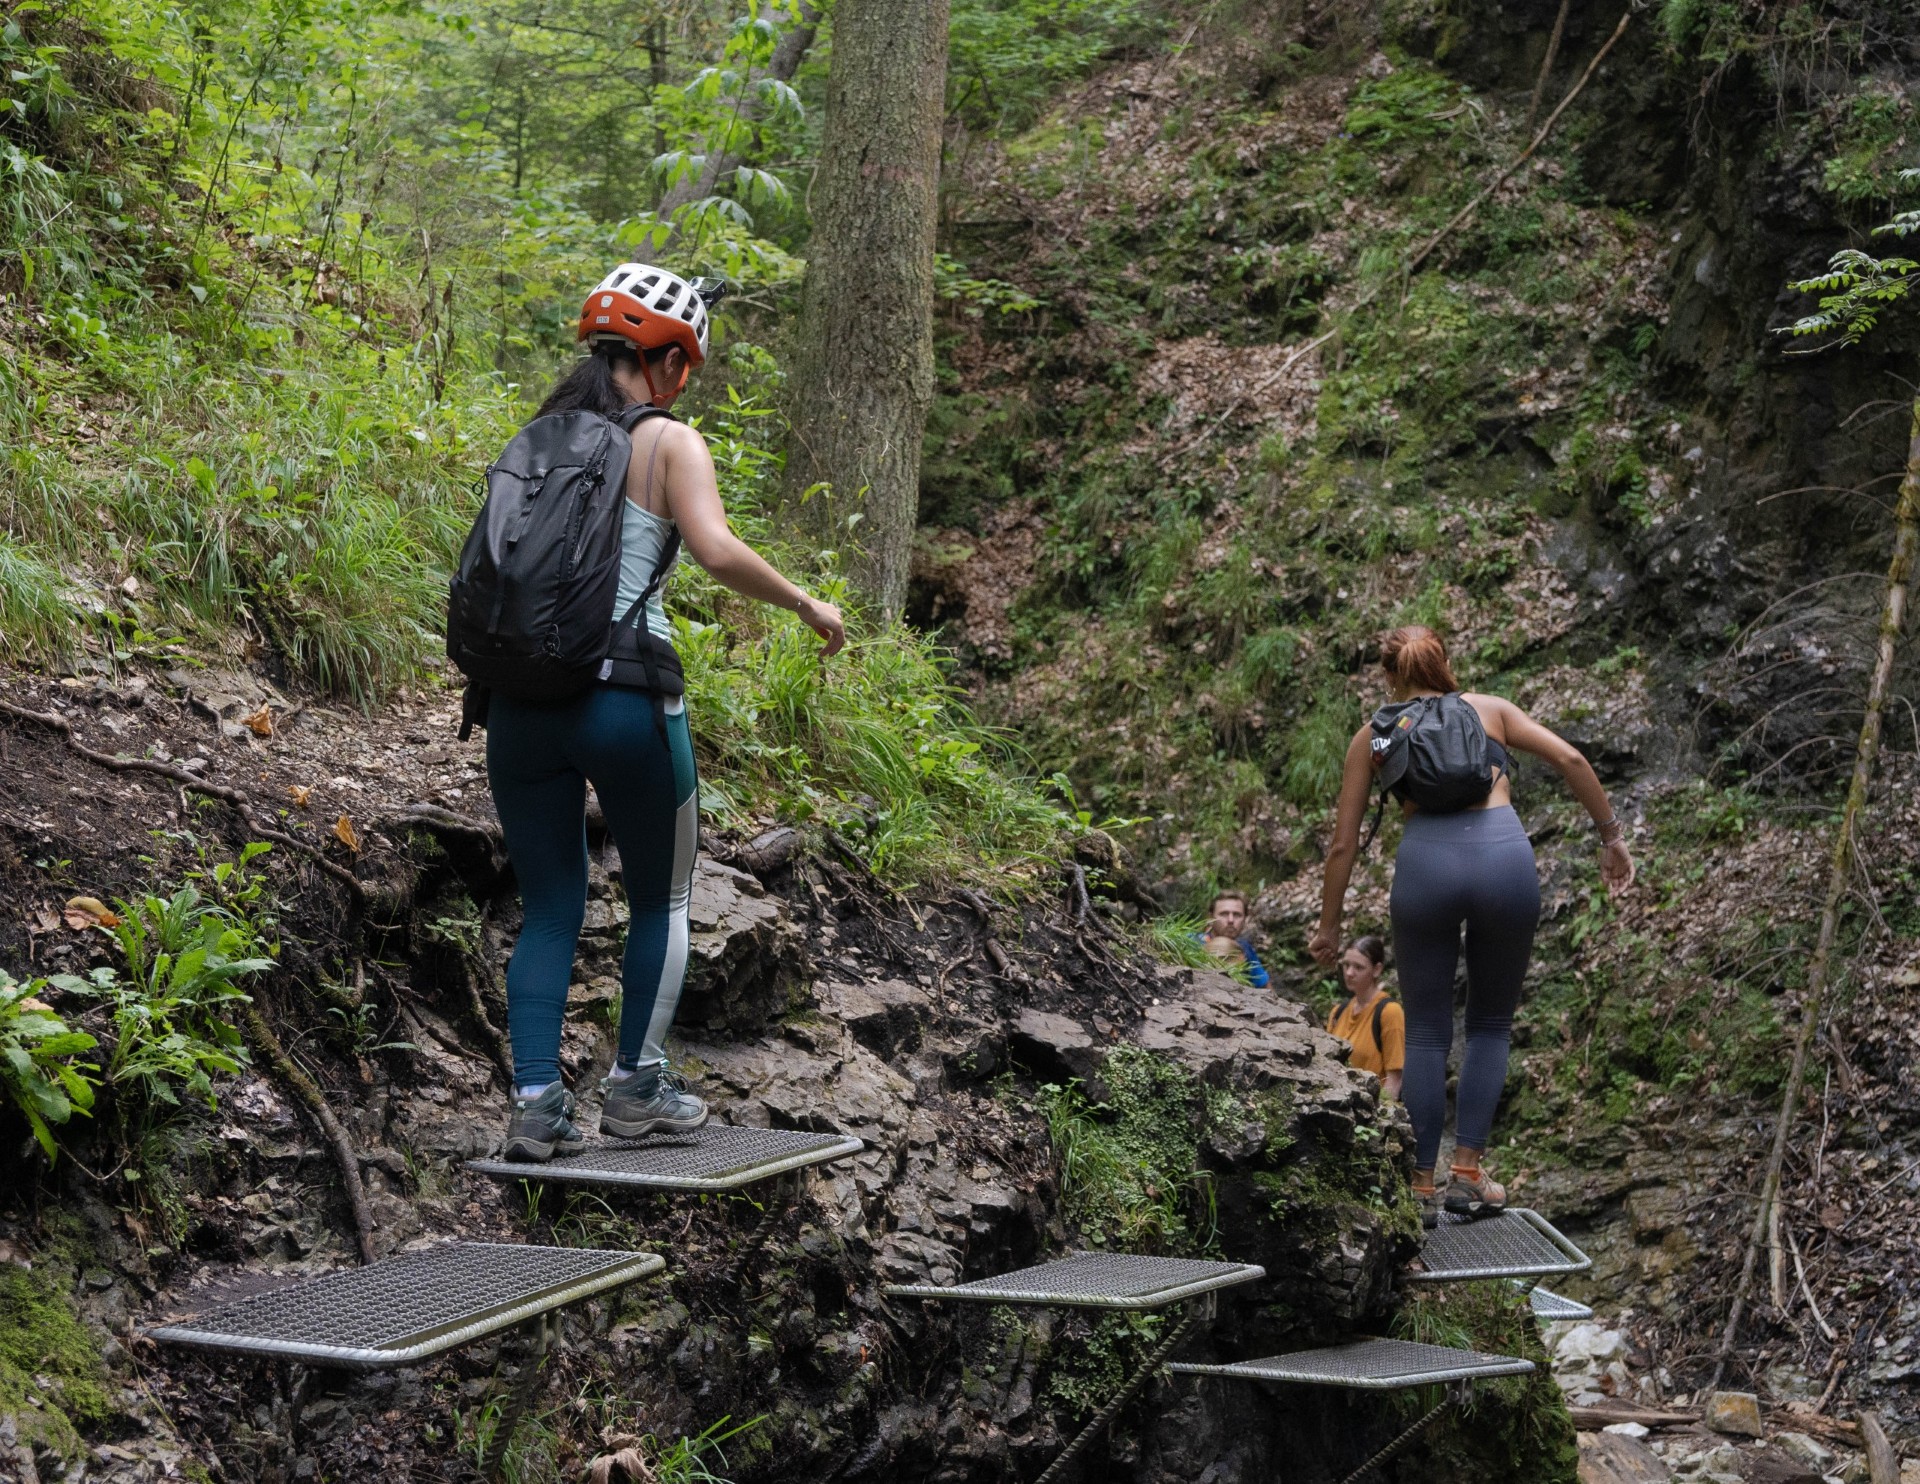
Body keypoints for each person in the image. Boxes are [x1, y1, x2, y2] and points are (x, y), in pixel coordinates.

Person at [490, 262, 846, 1161]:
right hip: (626, 696)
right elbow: (715, 549)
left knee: (548, 907)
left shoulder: (536, 438)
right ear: (671, 361)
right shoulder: (669, 442)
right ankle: (635, 1088)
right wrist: (806, 603)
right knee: (664, 895)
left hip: (518, 704)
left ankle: (534, 1105)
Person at [1308, 625, 1634, 1219]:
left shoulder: (1373, 735)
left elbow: (1343, 845)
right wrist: (1611, 838)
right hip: (1502, 860)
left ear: (1390, 675)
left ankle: (1421, 1186)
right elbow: (1571, 758)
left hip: (1424, 868)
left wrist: (1329, 927)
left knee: (1426, 1033)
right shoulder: (1491, 710)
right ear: (1444, 662)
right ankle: (1467, 1174)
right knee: (1489, 1023)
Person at [1324, 935, 1403, 1100]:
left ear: (1377, 970)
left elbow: (1394, 1079)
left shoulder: (1390, 1012)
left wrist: (1382, 1113)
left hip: (1371, 1106)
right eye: (1346, 965)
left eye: (1358, 967)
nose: (1349, 973)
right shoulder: (1338, 1012)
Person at [1201, 889, 1270, 989]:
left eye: (1237, 915)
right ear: (1211, 917)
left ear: (1245, 919)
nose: (1231, 920)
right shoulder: (1193, 943)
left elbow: (1265, 987)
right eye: (1224, 914)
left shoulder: (1245, 949)